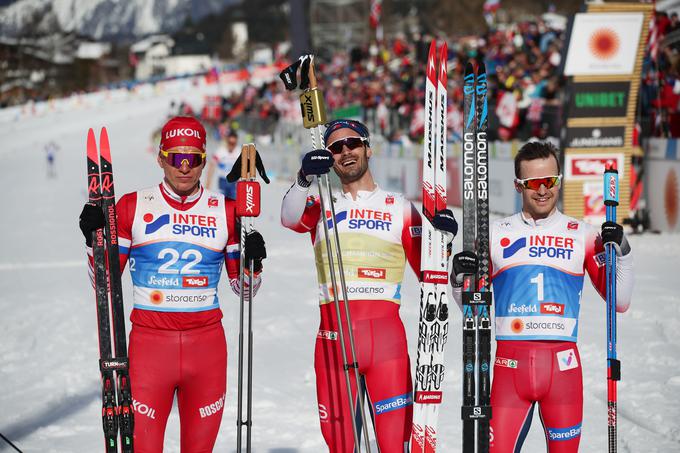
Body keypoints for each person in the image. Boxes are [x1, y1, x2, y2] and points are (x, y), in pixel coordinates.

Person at [78, 116, 267, 452]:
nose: (184, 168)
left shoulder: (226, 211)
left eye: (192, 159)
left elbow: (244, 290)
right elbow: (105, 285)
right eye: (176, 158)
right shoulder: (132, 207)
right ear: (161, 158)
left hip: (206, 349)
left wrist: (254, 263)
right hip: (150, 349)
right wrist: (95, 245)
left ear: (203, 161)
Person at [280, 119, 458, 452]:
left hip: (386, 344)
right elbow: (289, 218)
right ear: (330, 158)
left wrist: (443, 242)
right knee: (341, 445)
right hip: (333, 341)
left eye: (353, 144)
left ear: (368, 148)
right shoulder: (321, 205)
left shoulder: (401, 208)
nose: (345, 152)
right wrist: (304, 178)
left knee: (394, 445)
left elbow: (430, 273)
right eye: (336, 148)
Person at [451, 141, 634, 452]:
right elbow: (473, 311)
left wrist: (624, 253)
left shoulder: (584, 235)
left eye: (550, 181)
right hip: (510, 368)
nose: (542, 190)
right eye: (533, 183)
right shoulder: (494, 232)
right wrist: (458, 280)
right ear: (518, 185)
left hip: (563, 371)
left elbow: (620, 302)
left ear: (558, 180)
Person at [206, 129, 240, 200]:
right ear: (227, 141)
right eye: (230, 143)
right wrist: (208, 183)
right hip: (222, 180)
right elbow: (211, 166)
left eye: (233, 143)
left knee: (234, 202)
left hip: (234, 182)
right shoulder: (221, 151)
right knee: (222, 201)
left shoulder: (239, 151)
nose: (231, 145)